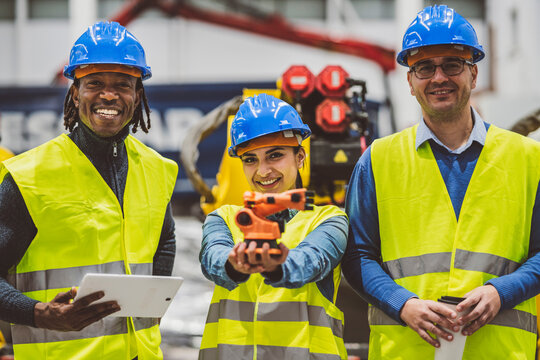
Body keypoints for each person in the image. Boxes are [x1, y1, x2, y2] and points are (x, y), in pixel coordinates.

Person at [343, 4, 540, 359]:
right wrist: (402, 304)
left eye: (452, 64)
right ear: (410, 81)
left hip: (499, 352)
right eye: (424, 68)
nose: (438, 78)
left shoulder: (529, 159)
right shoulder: (377, 160)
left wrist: (502, 292)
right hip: (406, 352)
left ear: (474, 74)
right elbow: (357, 255)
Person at [0, 21, 178, 359]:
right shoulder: (29, 176)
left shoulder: (158, 169)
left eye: (123, 85)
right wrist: (40, 313)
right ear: (75, 93)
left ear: (137, 95)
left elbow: (164, 239)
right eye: (95, 83)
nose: (109, 95)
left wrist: (152, 299)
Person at [198, 94, 349, 360]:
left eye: (275, 155)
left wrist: (277, 264)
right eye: (250, 159)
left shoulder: (329, 219)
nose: (263, 171)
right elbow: (214, 258)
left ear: (300, 157)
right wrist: (234, 264)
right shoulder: (223, 218)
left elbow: (312, 260)